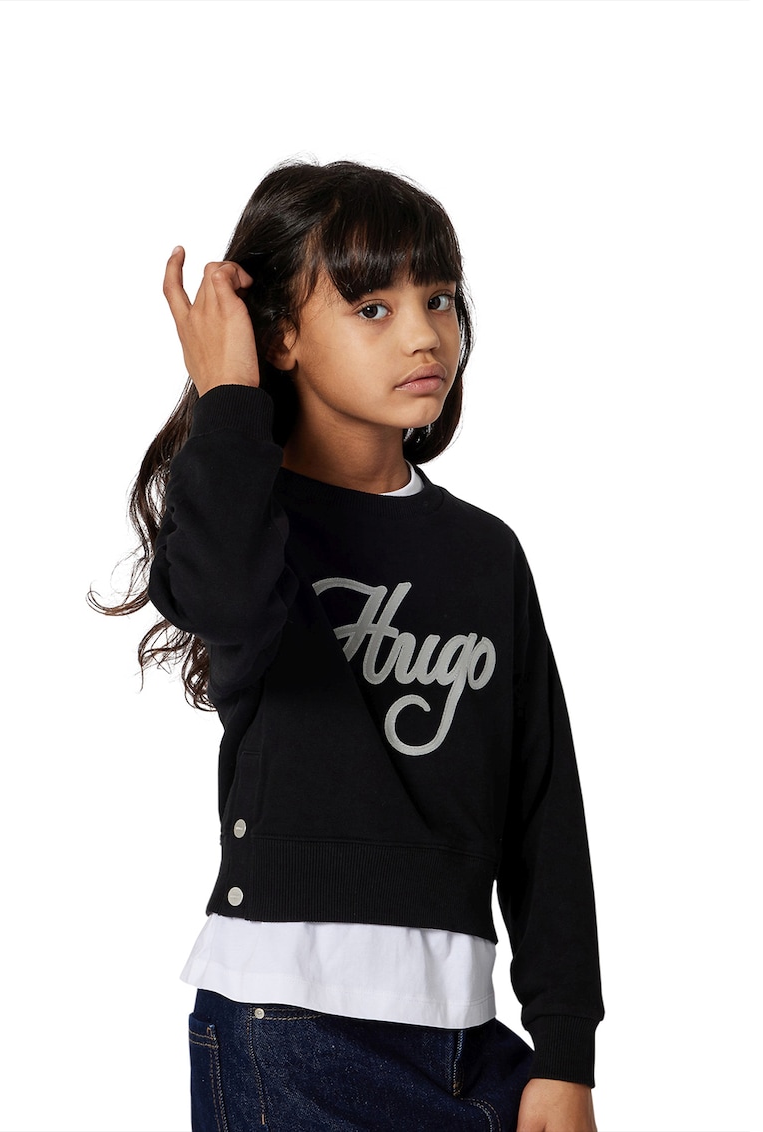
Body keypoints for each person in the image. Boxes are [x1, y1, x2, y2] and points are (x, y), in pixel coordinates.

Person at [98, 159, 603, 1131]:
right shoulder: (251, 525)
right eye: (373, 307)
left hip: (470, 1041)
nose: (424, 334)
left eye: (439, 299)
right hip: (287, 1028)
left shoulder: (486, 554)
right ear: (281, 336)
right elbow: (221, 595)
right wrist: (227, 394)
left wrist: (566, 1049)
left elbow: (543, 807)